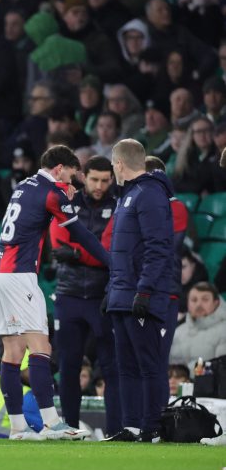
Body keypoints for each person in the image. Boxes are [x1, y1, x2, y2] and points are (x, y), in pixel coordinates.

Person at [0, 145, 110, 441]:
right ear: (58, 169)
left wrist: (68, 193)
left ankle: (18, 428)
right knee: (41, 347)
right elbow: (80, 233)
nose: (71, 183)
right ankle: (51, 423)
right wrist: (112, 263)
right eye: (69, 176)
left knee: (13, 351)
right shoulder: (52, 192)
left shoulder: (24, 185)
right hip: (20, 275)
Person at [104, 139, 174, 443]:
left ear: (119, 164)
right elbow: (123, 251)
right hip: (122, 294)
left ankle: (152, 427)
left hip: (140, 294)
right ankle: (131, 426)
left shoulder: (149, 194)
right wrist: (111, 290)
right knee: (126, 366)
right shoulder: (128, 196)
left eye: (113, 165)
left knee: (148, 364)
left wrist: (144, 290)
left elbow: (158, 248)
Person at [47, 155, 119, 433]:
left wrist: (77, 253)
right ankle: (71, 428)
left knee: (111, 367)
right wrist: (94, 253)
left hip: (102, 296)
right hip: (69, 294)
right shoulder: (68, 201)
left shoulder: (118, 205)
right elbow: (59, 246)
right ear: (84, 177)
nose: (99, 186)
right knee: (68, 367)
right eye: (94, 179)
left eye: (105, 180)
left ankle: (115, 431)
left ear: (112, 179)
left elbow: (110, 252)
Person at [168, 282, 226, 368]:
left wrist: (187, 373)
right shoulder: (177, 332)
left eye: (205, 300)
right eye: (194, 300)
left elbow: (221, 368)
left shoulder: (224, 330)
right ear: (188, 304)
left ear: (216, 303)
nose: (199, 304)